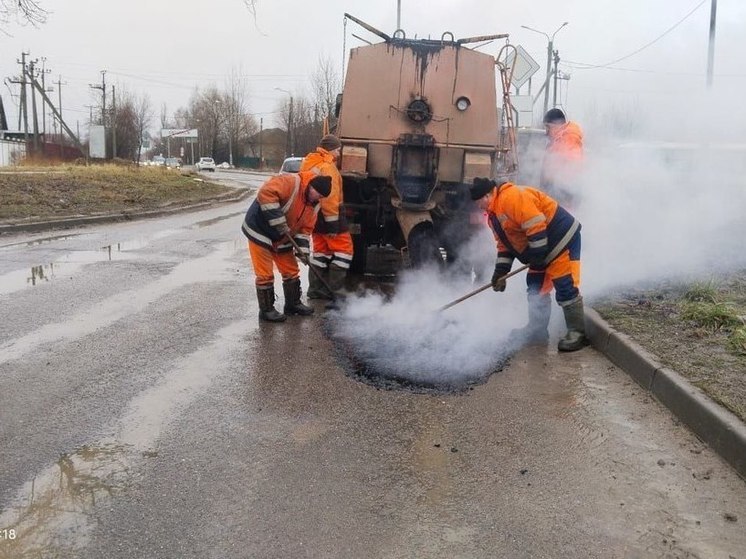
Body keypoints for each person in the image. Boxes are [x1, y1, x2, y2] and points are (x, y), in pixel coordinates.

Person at [469, 176, 588, 352]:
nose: (478, 206)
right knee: (534, 286)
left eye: (479, 201)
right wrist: (500, 272)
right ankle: (537, 331)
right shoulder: (493, 216)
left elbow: (535, 223)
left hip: (561, 241)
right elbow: (505, 246)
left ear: (488, 195)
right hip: (540, 249)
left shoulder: (512, 197)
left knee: (565, 285)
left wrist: (538, 255)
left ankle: (577, 333)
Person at [241, 172, 332, 322]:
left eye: (321, 197)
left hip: (283, 236)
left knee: (291, 270)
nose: (318, 198)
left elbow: (305, 230)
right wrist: (279, 221)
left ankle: (293, 304)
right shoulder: (291, 182)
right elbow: (266, 193)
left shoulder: (315, 205)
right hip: (260, 228)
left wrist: (303, 251)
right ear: (311, 186)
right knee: (265, 274)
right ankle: (266, 310)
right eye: (317, 193)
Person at [299, 134, 353, 302]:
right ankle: (335, 291)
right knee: (345, 250)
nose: (339, 153)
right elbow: (329, 198)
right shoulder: (328, 167)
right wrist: (333, 226)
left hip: (314, 216)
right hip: (328, 217)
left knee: (321, 253)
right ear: (330, 150)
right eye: (338, 149)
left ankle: (315, 290)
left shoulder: (310, 162)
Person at [539, 108, 584, 209]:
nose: (546, 132)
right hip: (559, 193)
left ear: (556, 125)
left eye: (548, 127)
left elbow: (571, 170)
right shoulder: (557, 140)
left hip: (565, 195)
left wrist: (554, 184)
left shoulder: (569, 138)